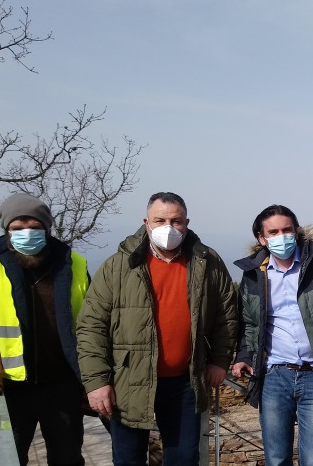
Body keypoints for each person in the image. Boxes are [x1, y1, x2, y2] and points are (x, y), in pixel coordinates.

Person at [76, 192, 239, 466]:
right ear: (146, 222)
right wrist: (96, 382)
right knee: (129, 459)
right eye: (160, 220)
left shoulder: (207, 262)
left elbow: (226, 317)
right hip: (127, 380)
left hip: (185, 383)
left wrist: (220, 361)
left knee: (184, 458)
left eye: (175, 221)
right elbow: (91, 326)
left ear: (186, 222)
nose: (168, 227)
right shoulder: (119, 265)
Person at [231, 205, 313, 466]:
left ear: (296, 231)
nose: (282, 236)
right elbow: (249, 324)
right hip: (274, 377)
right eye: (273, 232)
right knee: (276, 458)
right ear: (262, 238)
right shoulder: (253, 274)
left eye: (287, 230)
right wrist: (244, 356)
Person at [0, 192, 90, 466]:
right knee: (5, 460)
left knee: (67, 459)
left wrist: (91, 379)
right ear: (6, 229)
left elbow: (90, 325)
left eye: (34, 227)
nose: (26, 233)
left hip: (62, 383)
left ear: (46, 227)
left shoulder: (72, 262)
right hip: (9, 388)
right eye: (17, 228)